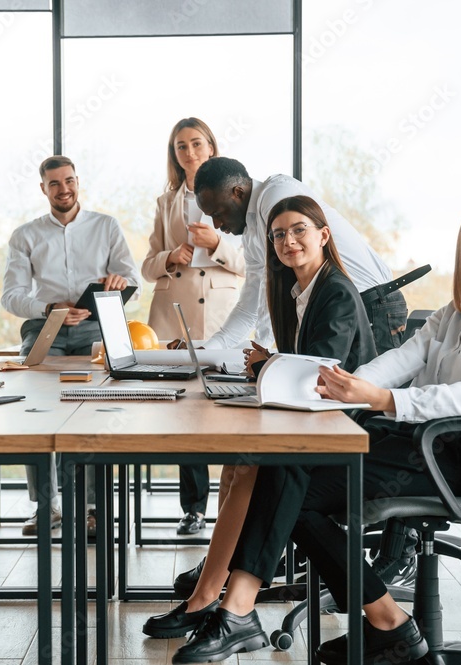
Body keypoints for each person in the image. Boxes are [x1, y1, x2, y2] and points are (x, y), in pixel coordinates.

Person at [170, 194, 461, 664]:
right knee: (287, 473)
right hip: (413, 440)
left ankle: (254, 612)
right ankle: (369, 619)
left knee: (291, 483)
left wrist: (381, 399)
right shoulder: (457, 311)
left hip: (460, 456)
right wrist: (344, 384)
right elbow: (402, 358)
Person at [143, 195, 376, 641]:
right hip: (311, 416)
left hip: (346, 427)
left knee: (251, 466)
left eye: (299, 231)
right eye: (279, 235)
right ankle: (206, 597)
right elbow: (300, 363)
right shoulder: (294, 291)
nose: (289, 241)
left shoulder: (337, 292)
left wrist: (268, 366)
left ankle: (212, 598)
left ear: (324, 235)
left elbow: (321, 371)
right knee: (237, 465)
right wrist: (267, 361)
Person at [2, 154, 140, 536]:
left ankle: (93, 508)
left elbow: (133, 282)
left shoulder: (106, 226)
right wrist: (49, 306)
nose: (64, 189)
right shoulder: (26, 235)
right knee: (36, 407)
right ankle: (46, 507)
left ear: (78, 181)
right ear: (43, 188)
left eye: (70, 181)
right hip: (45, 325)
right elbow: (11, 296)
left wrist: (118, 282)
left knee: (92, 407)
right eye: (55, 184)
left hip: (94, 326)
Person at [141, 118, 246, 535]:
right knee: (185, 412)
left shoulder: (237, 198)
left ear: (211, 147)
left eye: (196, 143)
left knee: (229, 406)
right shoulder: (166, 202)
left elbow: (252, 265)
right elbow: (147, 267)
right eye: (181, 146)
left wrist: (217, 245)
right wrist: (171, 257)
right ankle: (194, 508)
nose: (189, 152)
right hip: (174, 315)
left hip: (224, 315)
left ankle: (235, 502)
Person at [190, 156, 404, 354]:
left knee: (369, 391)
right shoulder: (251, 235)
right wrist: (209, 351)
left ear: (238, 193)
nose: (217, 225)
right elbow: (250, 306)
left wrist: (263, 353)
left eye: (218, 214)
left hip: (373, 304)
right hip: (333, 308)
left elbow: (279, 283)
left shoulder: (276, 196)